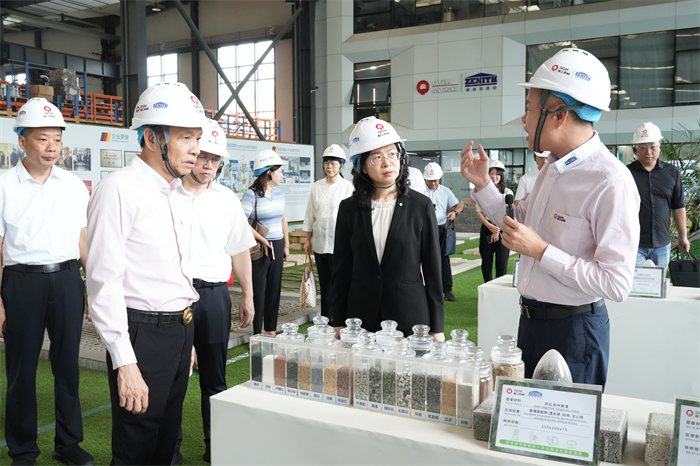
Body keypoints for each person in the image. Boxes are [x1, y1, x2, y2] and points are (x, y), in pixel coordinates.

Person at [460, 48, 640, 387]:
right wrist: (483, 184)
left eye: (529, 109)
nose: (523, 119)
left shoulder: (609, 181)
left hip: (574, 332)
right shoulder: (552, 169)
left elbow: (615, 283)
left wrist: (541, 251)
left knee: (562, 421)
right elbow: (519, 224)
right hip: (532, 322)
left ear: (558, 114)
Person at [86, 82, 208, 465]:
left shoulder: (173, 192)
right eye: (186, 138)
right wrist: (125, 361)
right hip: (142, 336)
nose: (196, 148)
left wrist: (184, 337)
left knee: (165, 446)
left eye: (197, 138)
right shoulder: (117, 189)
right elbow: (103, 282)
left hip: (178, 331)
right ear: (153, 138)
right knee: (136, 447)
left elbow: (173, 275)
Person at [0, 98, 93, 466]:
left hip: (68, 280)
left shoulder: (73, 185)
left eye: (57, 139)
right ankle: (23, 449)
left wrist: (95, 286)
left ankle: (68, 443)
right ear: (22, 141)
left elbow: (83, 240)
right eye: (43, 139)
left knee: (67, 365)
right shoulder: (4, 185)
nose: (52, 147)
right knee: (21, 369)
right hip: (22, 283)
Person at [170, 120, 256, 463]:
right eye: (203, 156)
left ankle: (215, 446)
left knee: (214, 378)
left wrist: (248, 295)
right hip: (173, 295)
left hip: (214, 297)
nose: (208, 165)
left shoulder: (227, 200)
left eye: (215, 160)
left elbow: (239, 250)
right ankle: (169, 448)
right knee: (174, 377)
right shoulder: (167, 194)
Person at [330, 117, 444, 340]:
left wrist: (437, 327)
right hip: (361, 317)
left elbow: (432, 269)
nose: (387, 163)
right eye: (377, 157)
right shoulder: (349, 209)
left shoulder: (420, 206)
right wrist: (338, 321)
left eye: (392, 154)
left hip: (409, 315)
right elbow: (341, 270)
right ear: (362, 166)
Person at [241, 149, 290, 336]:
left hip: (277, 244)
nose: (282, 175)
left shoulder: (279, 193)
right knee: (259, 290)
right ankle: (256, 332)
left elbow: (283, 220)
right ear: (269, 173)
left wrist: (285, 245)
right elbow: (242, 222)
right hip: (260, 247)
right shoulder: (251, 195)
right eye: (280, 171)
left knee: (274, 289)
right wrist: (263, 240)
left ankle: (270, 329)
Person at [627, 122, 689, 266]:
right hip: (634, 243)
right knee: (635, 280)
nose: (648, 152)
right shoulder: (626, 173)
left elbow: (678, 206)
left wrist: (683, 236)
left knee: (660, 280)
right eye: (642, 147)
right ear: (635, 149)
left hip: (662, 244)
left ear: (659, 147)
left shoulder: (672, 172)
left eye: (653, 147)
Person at [302, 144, 354, 317]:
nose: (329, 166)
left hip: (340, 245)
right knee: (325, 283)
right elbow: (310, 214)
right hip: (320, 243)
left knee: (340, 283)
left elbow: (352, 218)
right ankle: (325, 319)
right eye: (326, 163)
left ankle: (339, 318)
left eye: (333, 163)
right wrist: (307, 240)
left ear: (341, 165)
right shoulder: (317, 186)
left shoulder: (347, 187)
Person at [423, 162, 463, 301]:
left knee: (444, 259)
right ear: (425, 179)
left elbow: (459, 206)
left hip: (440, 229)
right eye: (430, 180)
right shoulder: (420, 191)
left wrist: (455, 213)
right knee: (425, 259)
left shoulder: (445, 191)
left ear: (439, 178)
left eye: (435, 180)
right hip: (424, 229)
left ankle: (447, 289)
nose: (433, 183)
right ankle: (428, 289)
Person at [476, 160, 513, 283]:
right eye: (491, 173)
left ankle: (499, 289)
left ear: (502, 176)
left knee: (502, 262)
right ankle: (487, 287)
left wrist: (497, 229)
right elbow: (479, 212)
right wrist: (490, 227)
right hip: (487, 227)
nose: (494, 176)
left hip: (503, 228)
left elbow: (508, 212)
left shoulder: (507, 192)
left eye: (497, 174)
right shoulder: (481, 191)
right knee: (486, 262)